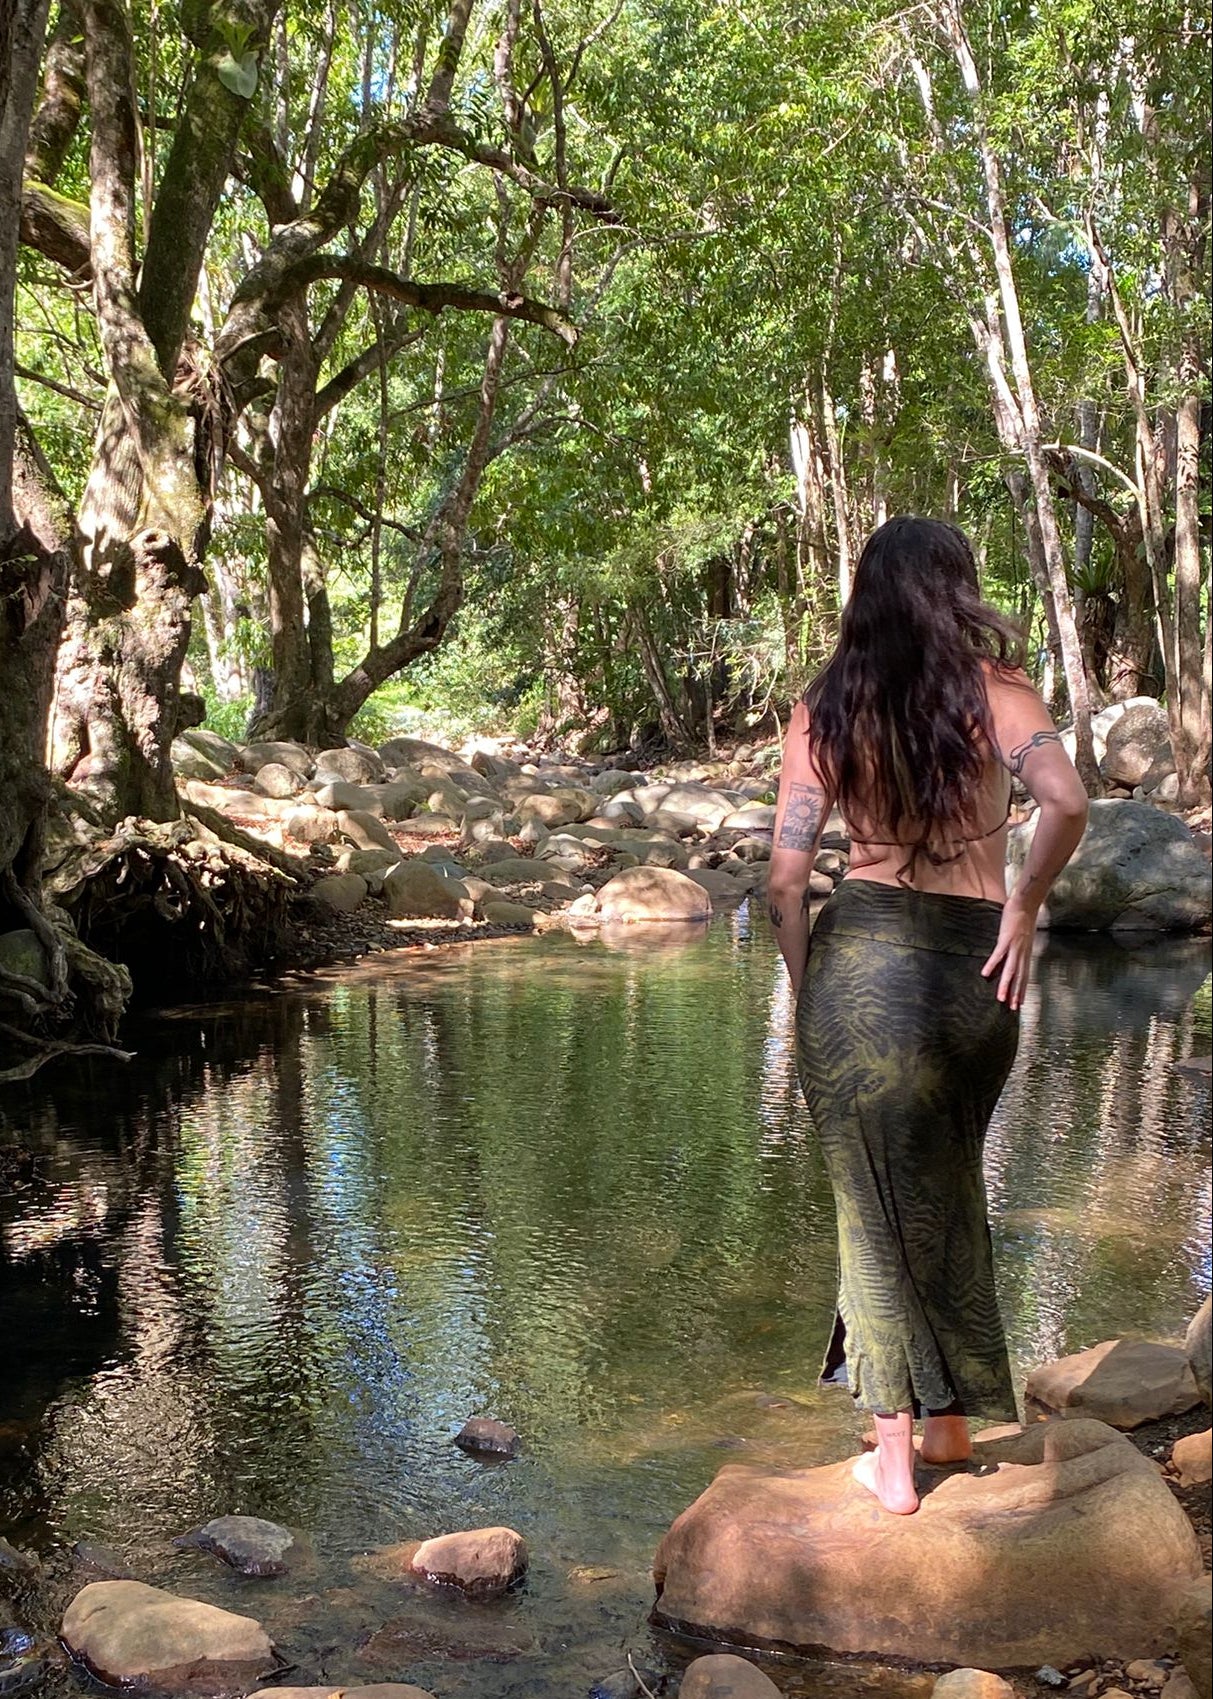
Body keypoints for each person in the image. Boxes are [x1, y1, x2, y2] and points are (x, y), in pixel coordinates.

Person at [768, 515, 1088, 1515]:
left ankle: (893, 1458)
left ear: (865, 594)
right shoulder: (997, 692)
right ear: (957, 588)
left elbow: (784, 882)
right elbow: (1067, 801)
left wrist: (809, 984)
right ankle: (950, 1422)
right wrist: (1023, 906)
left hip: (860, 970)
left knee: (870, 1212)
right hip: (976, 971)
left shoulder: (826, 705)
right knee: (946, 1186)